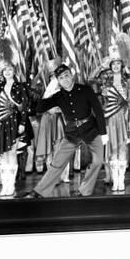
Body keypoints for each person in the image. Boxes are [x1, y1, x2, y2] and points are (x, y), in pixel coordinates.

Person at [25, 64, 108, 198]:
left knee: (98, 161)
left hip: (91, 130)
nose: (65, 79)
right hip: (72, 133)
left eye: (67, 76)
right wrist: (49, 90)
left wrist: (103, 132)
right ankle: (39, 191)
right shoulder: (58, 96)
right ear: (58, 80)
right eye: (61, 78)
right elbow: (39, 108)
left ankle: (84, 190)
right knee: (57, 163)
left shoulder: (85, 89)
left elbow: (98, 110)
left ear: (72, 75)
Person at [0, 43, 31, 197]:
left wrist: (23, 123)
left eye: (10, 69)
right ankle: (5, 185)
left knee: (12, 154)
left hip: (15, 123)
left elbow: (25, 107)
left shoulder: (20, 86)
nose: (7, 72)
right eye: (5, 69)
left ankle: (12, 185)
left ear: (14, 71)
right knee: (3, 155)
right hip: (1, 124)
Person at [90, 33, 130, 192]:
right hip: (109, 119)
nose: (116, 66)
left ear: (122, 66)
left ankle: (120, 180)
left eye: (118, 64)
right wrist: (101, 66)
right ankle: (114, 179)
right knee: (112, 149)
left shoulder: (128, 82)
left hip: (122, 119)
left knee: (122, 148)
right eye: (113, 64)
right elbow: (90, 79)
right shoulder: (105, 82)